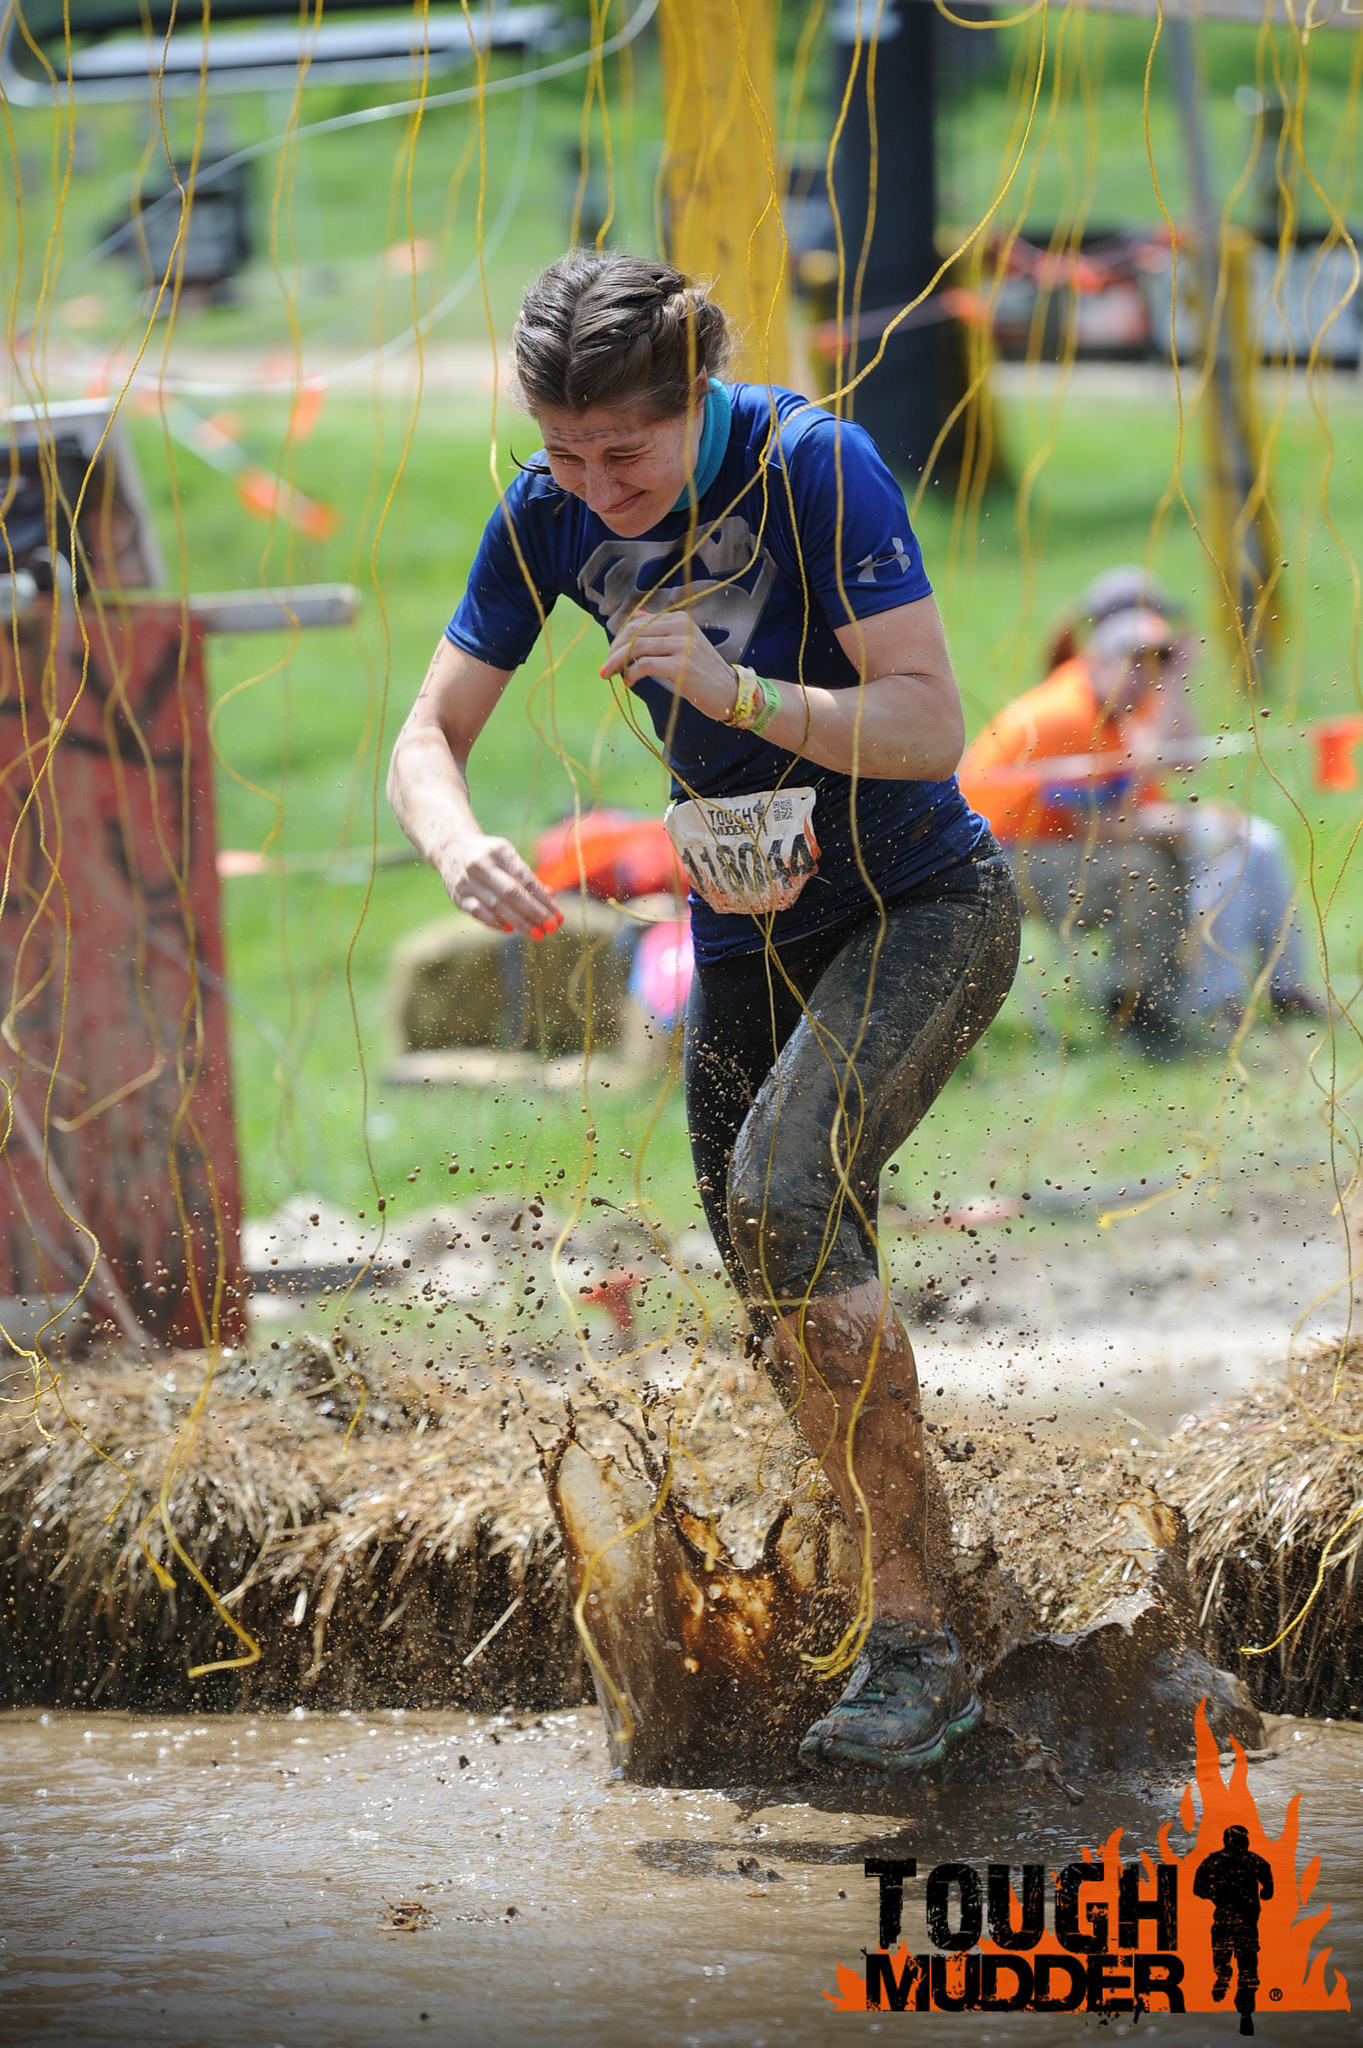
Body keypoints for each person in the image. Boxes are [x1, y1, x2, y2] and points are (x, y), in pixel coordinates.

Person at [388, 251, 1020, 1772]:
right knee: (765, 1277)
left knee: (784, 1189)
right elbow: (426, 731)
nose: (595, 486)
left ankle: (920, 1643)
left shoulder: (813, 468)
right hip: (743, 938)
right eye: (563, 453)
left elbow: (934, 718)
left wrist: (739, 699)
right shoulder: (546, 510)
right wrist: (454, 838)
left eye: (627, 453)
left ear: (698, 401)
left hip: (919, 910)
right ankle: (908, 1600)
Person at [959, 570, 1321, 1054]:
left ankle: (1273, 989)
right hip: (1000, 859)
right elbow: (1093, 823)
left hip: (1061, 841)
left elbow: (1180, 762)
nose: (1146, 676)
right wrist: (1177, 826)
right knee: (1145, 871)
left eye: (1159, 662)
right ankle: (1140, 1014)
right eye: (1138, 663)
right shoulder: (1063, 714)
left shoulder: (1123, 699)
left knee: (1254, 842)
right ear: (1101, 659)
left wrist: (1173, 680)